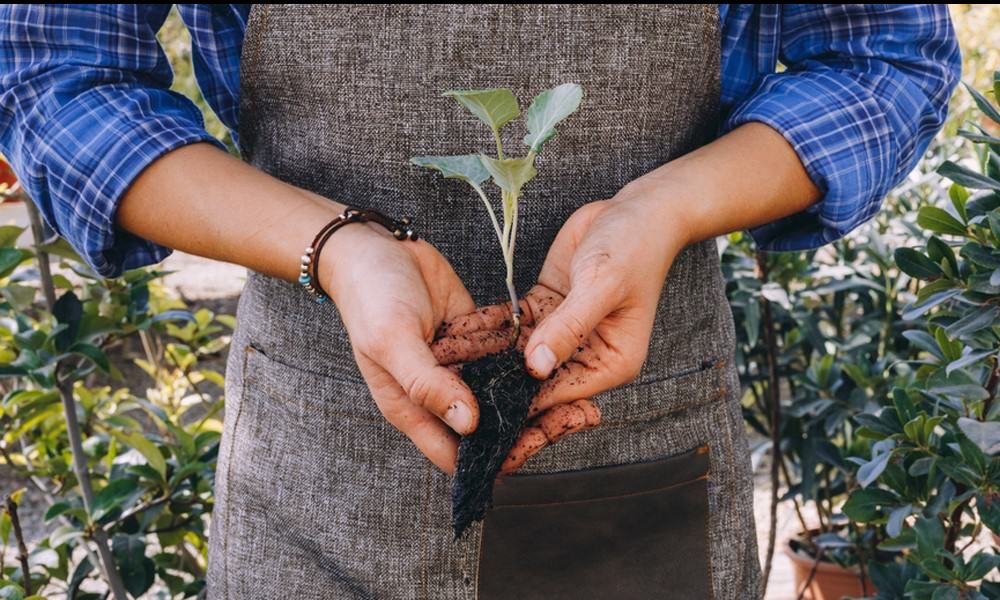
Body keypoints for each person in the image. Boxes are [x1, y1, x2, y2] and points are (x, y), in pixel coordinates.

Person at [0, 4, 960, 599]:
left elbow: (882, 56)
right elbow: (59, 79)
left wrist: (663, 208)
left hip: (635, 433)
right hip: (313, 452)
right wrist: (334, 248)